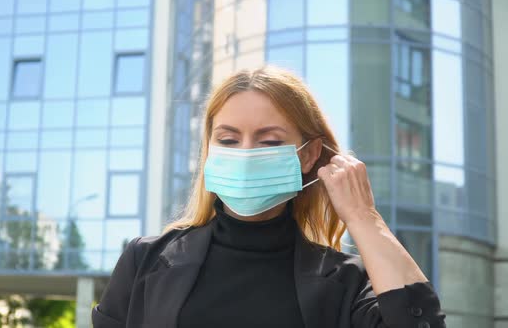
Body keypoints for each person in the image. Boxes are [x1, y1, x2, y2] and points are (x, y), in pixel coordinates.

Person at [92, 66, 446, 328]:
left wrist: (364, 217)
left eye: (270, 141)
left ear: (308, 155)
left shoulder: (346, 281)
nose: (245, 154)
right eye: (228, 140)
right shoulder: (146, 259)